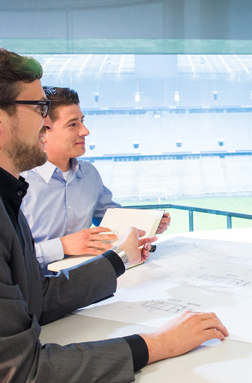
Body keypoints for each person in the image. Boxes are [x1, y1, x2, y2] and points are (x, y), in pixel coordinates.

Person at [0, 44, 228, 383]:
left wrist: (117, 259)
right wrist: (155, 343)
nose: (44, 123)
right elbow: (21, 381)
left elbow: (35, 296)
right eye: (39, 109)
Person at [21, 86, 170, 267]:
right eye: (73, 124)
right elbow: (8, 256)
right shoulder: (19, 181)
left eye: (82, 121)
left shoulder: (89, 173)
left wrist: (150, 223)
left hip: (85, 279)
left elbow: (110, 218)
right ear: (44, 130)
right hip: (35, 286)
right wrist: (62, 246)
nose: (85, 131)